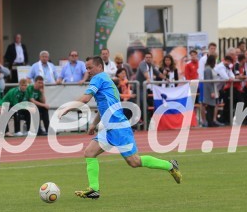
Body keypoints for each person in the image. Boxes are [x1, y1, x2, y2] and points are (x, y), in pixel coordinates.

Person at [73, 56, 181, 199]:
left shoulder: (98, 79)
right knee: (89, 152)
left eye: (90, 68)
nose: (88, 71)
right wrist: (94, 124)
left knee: (134, 161)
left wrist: (67, 107)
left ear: (99, 67)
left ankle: (170, 165)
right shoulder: (108, 82)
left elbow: (85, 99)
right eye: (86, 68)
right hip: (110, 128)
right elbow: (104, 107)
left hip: (119, 128)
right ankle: (94, 189)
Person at [202, 54, 220, 127]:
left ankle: (211, 121)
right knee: (210, 106)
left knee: (212, 106)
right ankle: (210, 122)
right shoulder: (208, 69)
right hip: (209, 90)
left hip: (213, 88)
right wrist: (212, 91)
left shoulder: (211, 68)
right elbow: (208, 81)